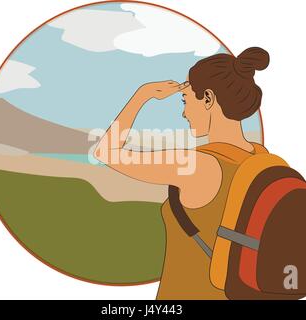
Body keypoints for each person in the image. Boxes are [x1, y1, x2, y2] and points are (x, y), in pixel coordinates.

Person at [94, 47, 270, 299]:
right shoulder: (261, 158)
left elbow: (106, 152)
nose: (184, 113)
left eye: (186, 101)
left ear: (208, 99)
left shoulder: (198, 165)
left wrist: (141, 95)